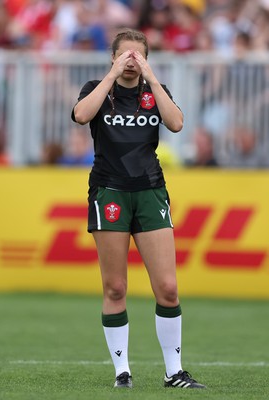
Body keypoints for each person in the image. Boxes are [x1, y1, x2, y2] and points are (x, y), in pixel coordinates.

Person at [71, 28, 205, 390]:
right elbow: (81, 116)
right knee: (115, 287)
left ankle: (174, 372)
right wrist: (112, 76)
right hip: (109, 192)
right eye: (124, 55)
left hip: (149, 192)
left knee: (168, 287)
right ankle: (122, 373)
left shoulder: (154, 91)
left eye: (138, 55)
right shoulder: (95, 88)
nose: (131, 62)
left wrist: (152, 78)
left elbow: (176, 123)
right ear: (112, 57)